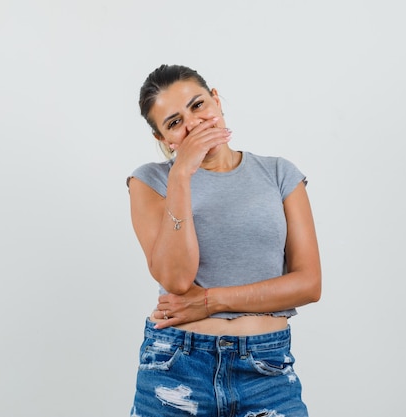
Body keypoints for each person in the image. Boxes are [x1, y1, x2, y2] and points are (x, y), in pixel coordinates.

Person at [126, 64, 321, 417]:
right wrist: (181, 174)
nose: (194, 123)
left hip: (267, 369)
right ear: (164, 140)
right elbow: (175, 279)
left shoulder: (278, 174)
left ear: (216, 101)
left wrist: (211, 301)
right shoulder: (150, 181)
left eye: (198, 105)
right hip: (177, 367)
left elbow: (308, 284)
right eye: (174, 122)